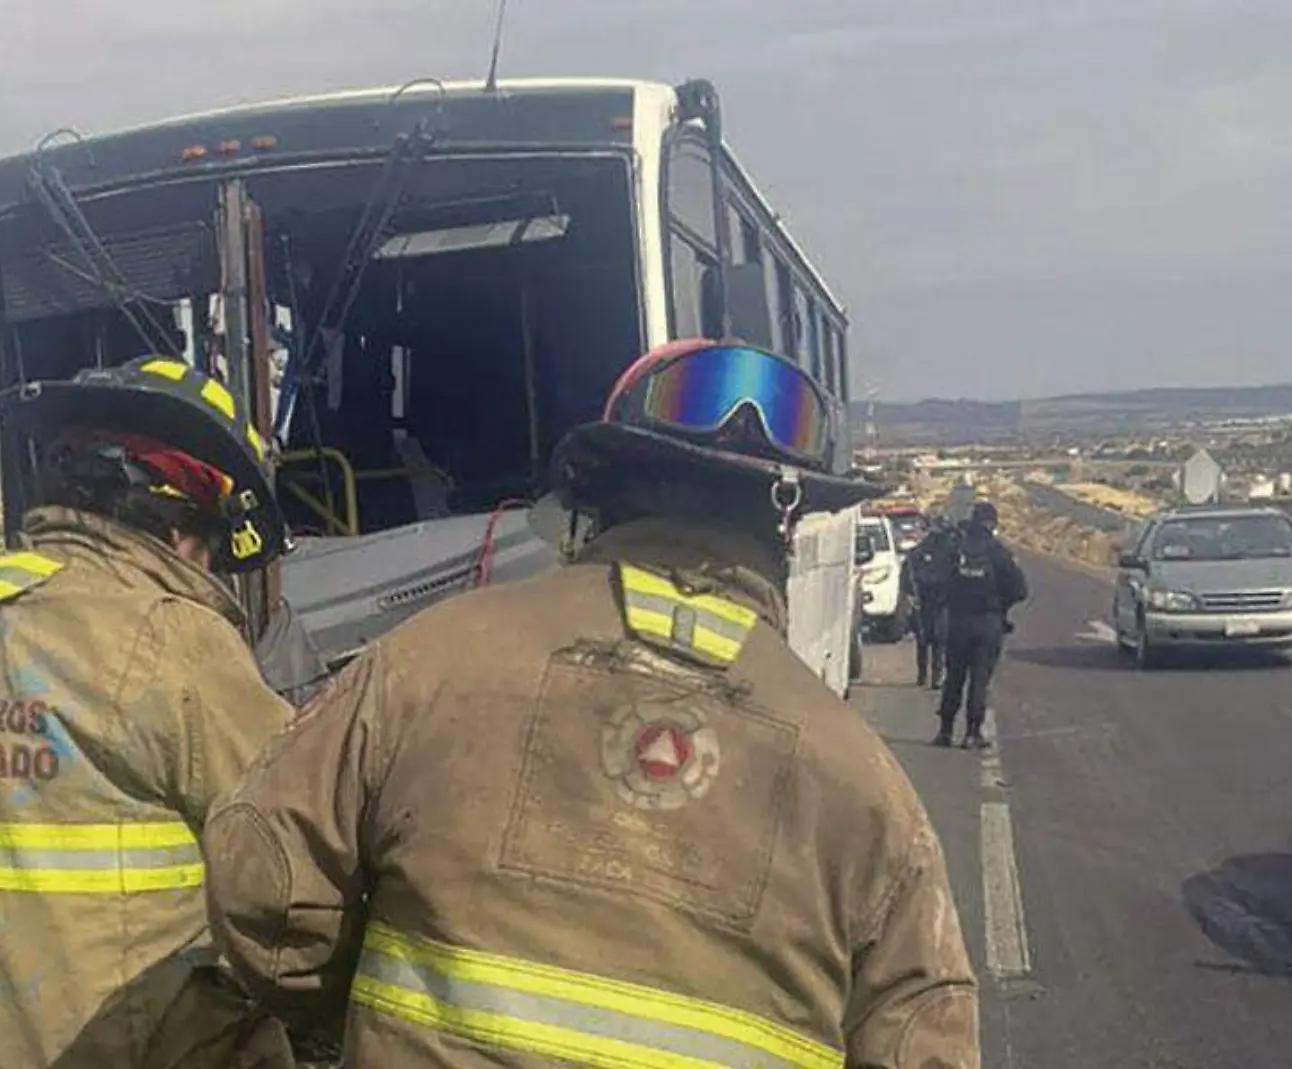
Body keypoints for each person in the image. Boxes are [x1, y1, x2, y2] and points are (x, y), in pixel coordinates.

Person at [203, 339, 980, 1067]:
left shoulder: (429, 659)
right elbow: (925, 1036)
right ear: (786, 526)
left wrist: (363, 1019)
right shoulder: (866, 780)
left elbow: (260, 872)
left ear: (591, 502)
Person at [0, 355, 301, 1069]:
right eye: (209, 550)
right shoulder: (172, 639)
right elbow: (301, 849)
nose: (206, 574)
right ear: (174, 529)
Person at [935, 499, 1029, 750]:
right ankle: (972, 733)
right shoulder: (998, 552)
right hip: (988, 624)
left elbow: (939, 581)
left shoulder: (956, 549)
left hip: (957, 622)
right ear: (993, 525)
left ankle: (945, 731)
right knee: (979, 680)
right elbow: (1020, 589)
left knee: (953, 677)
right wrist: (1002, 605)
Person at [903, 514, 957, 689]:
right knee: (934, 639)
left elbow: (911, 561)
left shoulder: (942, 547)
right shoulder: (947, 547)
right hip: (935, 599)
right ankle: (931, 676)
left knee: (928, 639)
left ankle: (927, 675)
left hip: (932, 598)